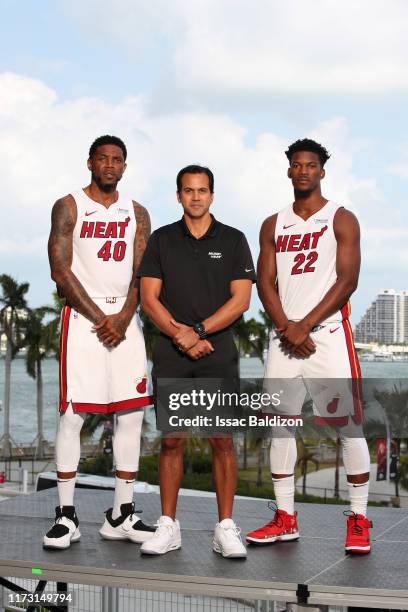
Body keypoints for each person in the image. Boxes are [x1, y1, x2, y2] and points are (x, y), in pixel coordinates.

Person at [246, 139, 372, 554]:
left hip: (327, 336)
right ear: (289, 171)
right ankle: (285, 518)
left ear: (322, 171)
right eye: (297, 165)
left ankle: (358, 519)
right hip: (284, 338)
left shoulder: (342, 218)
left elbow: (347, 280)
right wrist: (286, 327)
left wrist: (305, 326)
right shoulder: (272, 223)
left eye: (311, 165)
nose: (303, 171)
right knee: (279, 426)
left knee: (347, 426)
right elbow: (265, 282)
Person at [138, 165, 256, 557]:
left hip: (217, 355)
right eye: (188, 191)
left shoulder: (235, 240)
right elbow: (148, 299)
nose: (196, 197)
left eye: (202, 190)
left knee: (222, 440)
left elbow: (241, 301)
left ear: (212, 195)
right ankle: (169, 526)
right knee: (172, 441)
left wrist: (198, 332)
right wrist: (181, 336)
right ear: (178, 196)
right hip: (172, 354)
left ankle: (225, 528)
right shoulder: (161, 240)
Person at [45, 135, 155, 549]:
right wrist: (100, 318)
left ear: (124, 167)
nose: (110, 165)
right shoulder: (69, 205)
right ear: (90, 162)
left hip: (126, 321)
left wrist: (125, 317)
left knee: (131, 415)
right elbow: (60, 270)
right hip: (84, 321)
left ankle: (121, 513)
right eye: (103, 158)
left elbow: (143, 271)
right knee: (73, 415)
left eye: (118, 160)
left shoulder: (137, 212)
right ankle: (66, 515)